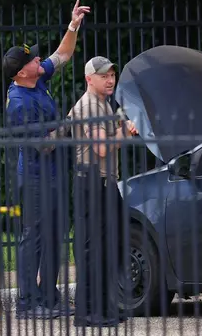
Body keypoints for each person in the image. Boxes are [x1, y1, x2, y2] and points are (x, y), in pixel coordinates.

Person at [5, 0, 90, 320]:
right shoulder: (18, 103)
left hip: (54, 175)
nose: (39, 59)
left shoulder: (36, 79)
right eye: (31, 58)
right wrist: (68, 125)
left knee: (56, 234)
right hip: (36, 178)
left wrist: (73, 25)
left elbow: (63, 55)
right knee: (35, 236)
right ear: (20, 71)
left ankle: (49, 296)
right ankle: (27, 303)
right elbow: (43, 146)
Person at [67, 56, 138, 327]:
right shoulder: (88, 106)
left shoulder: (105, 104)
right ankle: (86, 312)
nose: (110, 80)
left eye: (112, 75)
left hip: (107, 183)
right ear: (89, 79)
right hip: (92, 182)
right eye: (104, 76)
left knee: (112, 243)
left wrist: (123, 127)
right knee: (92, 248)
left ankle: (105, 305)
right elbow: (102, 148)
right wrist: (126, 135)